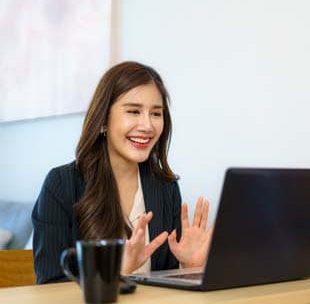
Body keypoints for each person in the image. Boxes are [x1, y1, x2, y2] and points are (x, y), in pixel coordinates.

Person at [32, 61, 212, 284]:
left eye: (156, 114)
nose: (147, 125)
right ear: (104, 118)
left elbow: (166, 287)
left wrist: (190, 268)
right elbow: (49, 287)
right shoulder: (61, 184)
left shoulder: (165, 188)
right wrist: (117, 274)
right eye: (134, 111)